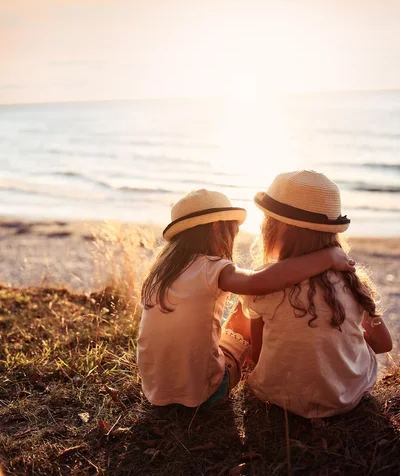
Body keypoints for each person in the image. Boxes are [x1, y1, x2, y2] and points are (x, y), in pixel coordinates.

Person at [137, 188, 355, 408]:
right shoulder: (212, 267)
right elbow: (257, 283)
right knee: (241, 318)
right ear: (216, 227)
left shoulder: (160, 272)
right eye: (233, 230)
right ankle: (249, 364)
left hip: (155, 388)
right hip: (203, 392)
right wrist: (327, 257)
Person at [242, 170, 392, 418]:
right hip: (348, 398)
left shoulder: (264, 283)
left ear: (276, 228)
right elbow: (384, 344)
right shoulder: (352, 281)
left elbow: (257, 355)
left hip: (277, 395)